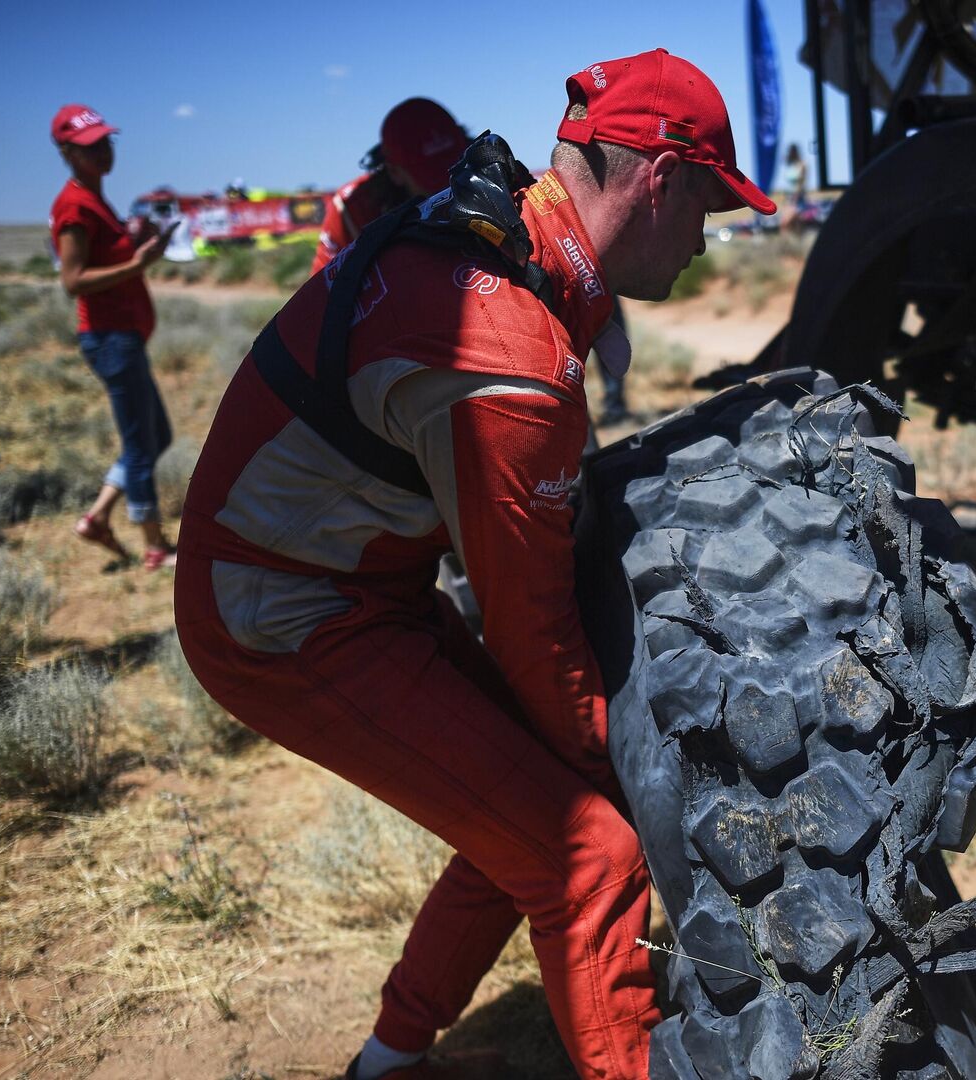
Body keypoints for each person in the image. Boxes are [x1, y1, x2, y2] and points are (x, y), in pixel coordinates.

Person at [174, 48, 774, 1080]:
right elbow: (533, 634)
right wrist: (636, 772)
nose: (707, 244)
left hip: (347, 578)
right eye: (710, 209)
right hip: (279, 612)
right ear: (660, 179)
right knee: (590, 859)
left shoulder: (505, 237)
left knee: (526, 811)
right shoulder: (507, 354)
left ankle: (390, 1057)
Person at [48, 104, 177, 571]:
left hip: (123, 339)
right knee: (142, 446)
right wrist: (138, 263)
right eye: (89, 147)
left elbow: (105, 255)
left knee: (156, 435)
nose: (102, 151)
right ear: (67, 152)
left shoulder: (95, 199)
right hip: (111, 340)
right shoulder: (75, 205)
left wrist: (131, 235)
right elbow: (73, 279)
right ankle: (156, 548)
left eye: (105, 141)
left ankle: (98, 518)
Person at [311, 98, 469, 275]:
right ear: (394, 172)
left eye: (458, 167)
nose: (448, 190)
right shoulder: (352, 209)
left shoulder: (491, 177)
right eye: (432, 177)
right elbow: (321, 294)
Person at [782, 142, 809, 233]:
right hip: (788, 197)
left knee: (788, 223)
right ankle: (789, 244)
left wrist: (795, 199)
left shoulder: (802, 165)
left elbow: (801, 183)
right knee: (792, 225)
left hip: (797, 198)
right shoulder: (789, 164)